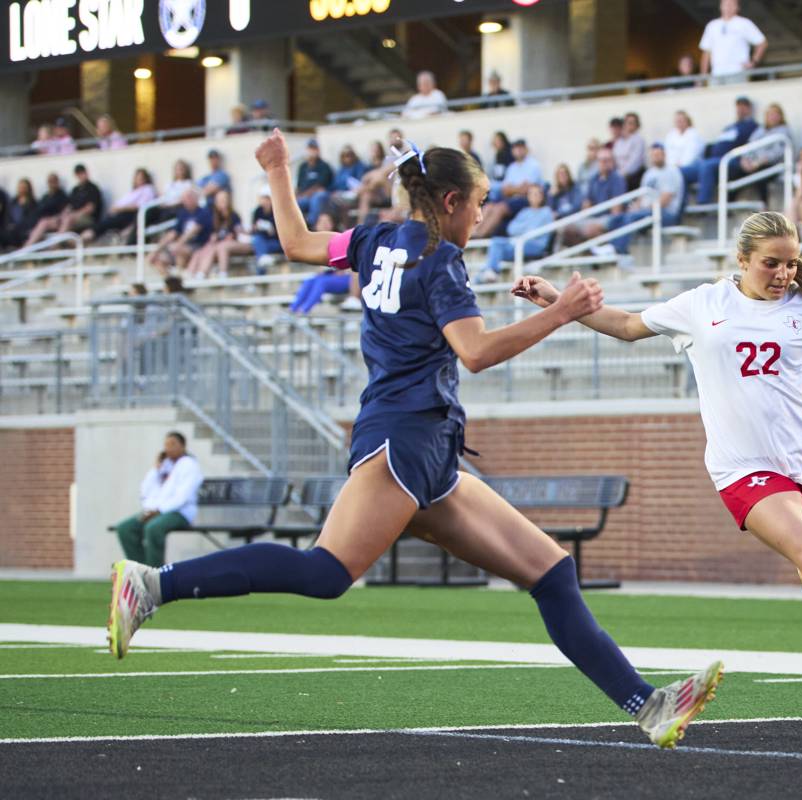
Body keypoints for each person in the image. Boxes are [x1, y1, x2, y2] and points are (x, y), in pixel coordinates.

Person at [108, 129, 724, 751]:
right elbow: (477, 352)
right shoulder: (442, 261)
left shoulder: (375, 238)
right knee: (324, 572)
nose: (483, 215)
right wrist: (560, 311)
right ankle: (152, 585)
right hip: (404, 438)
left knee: (552, 573)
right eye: (480, 202)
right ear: (451, 200)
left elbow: (294, 242)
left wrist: (277, 168)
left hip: (426, 446)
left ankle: (649, 707)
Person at [513, 211, 802, 720]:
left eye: (791, 264)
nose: (783, 274)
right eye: (771, 263)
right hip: (743, 467)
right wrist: (556, 302)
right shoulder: (702, 305)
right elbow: (624, 325)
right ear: (742, 260)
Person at [111, 432, 204, 569]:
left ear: (183, 446)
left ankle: (156, 575)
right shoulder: (164, 466)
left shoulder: (189, 465)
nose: (169, 448)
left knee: (153, 528)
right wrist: (156, 468)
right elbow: (146, 490)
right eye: (166, 445)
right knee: (125, 529)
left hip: (179, 513)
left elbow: (182, 497)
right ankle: (141, 571)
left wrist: (159, 511)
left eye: (173, 444)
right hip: (155, 511)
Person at [609, 142, 685, 254]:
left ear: (664, 155)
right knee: (616, 219)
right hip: (649, 211)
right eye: (654, 155)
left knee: (632, 218)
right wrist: (636, 207)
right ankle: (610, 247)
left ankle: (618, 250)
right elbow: (641, 197)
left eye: (659, 154)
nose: (656, 157)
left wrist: (644, 209)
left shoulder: (671, 172)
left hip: (667, 214)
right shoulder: (648, 173)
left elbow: (665, 199)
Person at [681, 97, 758, 204]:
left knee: (707, 166)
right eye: (738, 107)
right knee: (683, 172)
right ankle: (682, 206)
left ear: (749, 109)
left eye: (743, 107)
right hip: (714, 160)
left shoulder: (752, 126)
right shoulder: (728, 128)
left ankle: (703, 204)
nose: (740, 110)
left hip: (732, 162)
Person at [476, 184, 555, 283]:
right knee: (497, 242)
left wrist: (523, 229)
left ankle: (486, 275)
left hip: (535, 245)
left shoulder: (546, 212)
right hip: (518, 243)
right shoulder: (525, 212)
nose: (534, 196)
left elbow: (537, 233)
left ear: (542, 196)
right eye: (531, 194)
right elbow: (511, 229)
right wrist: (527, 229)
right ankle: (487, 274)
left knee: (497, 250)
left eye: (536, 194)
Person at [474, 138, 543, 238]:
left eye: (521, 148)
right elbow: (504, 189)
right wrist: (517, 188)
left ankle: (480, 236)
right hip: (510, 198)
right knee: (488, 207)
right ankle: (473, 234)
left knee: (500, 208)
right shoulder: (512, 167)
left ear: (526, 149)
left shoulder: (533, 165)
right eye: (516, 148)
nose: (518, 151)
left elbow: (527, 189)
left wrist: (513, 189)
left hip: (525, 199)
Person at [23, 164, 102, 247]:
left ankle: (54, 246)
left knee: (68, 219)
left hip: (88, 219)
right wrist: (59, 217)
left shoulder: (93, 188)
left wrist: (74, 215)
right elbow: (69, 206)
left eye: (82, 172)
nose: (81, 175)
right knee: (45, 221)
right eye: (78, 173)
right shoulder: (75, 190)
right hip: (72, 218)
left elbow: (90, 208)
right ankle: (27, 247)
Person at [561, 147, 626, 247]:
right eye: (600, 160)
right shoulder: (593, 179)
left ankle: (597, 255)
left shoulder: (617, 179)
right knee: (567, 229)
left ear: (612, 162)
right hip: (594, 216)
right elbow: (587, 204)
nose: (603, 163)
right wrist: (586, 212)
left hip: (609, 217)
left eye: (606, 160)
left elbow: (616, 210)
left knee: (590, 230)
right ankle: (587, 255)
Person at [83, 167, 157, 245]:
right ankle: (89, 235)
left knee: (107, 223)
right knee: (106, 222)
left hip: (131, 214)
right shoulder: (132, 192)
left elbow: (140, 206)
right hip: (121, 213)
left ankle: (90, 233)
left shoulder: (148, 189)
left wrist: (120, 208)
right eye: (137, 178)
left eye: (141, 178)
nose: (138, 180)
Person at [699, 0, 767, 79]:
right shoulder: (711, 26)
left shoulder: (744, 23)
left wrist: (754, 62)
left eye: (732, 4)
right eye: (726, 4)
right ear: (720, 6)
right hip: (717, 74)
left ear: (737, 7)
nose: (728, 7)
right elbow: (706, 52)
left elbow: (762, 43)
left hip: (738, 72)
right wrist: (703, 76)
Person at [149, 189, 212, 275]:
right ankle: (170, 282)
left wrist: (178, 244)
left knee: (179, 250)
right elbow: (173, 233)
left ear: (196, 199)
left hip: (198, 246)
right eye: (184, 199)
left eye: (189, 198)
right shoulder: (183, 214)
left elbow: (193, 231)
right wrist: (156, 251)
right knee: (157, 259)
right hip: (182, 246)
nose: (186, 201)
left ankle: (179, 277)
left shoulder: (204, 213)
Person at [187, 190, 242, 279]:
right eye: (220, 200)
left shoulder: (234, 216)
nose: (222, 203)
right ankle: (191, 274)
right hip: (217, 245)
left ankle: (205, 273)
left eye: (224, 200)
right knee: (200, 252)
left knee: (216, 247)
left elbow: (238, 232)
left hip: (229, 244)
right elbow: (215, 235)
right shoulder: (215, 217)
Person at [296, 139, 334, 227]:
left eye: (314, 148)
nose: (311, 151)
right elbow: (298, 186)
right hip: (304, 196)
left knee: (317, 198)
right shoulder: (303, 167)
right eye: (310, 148)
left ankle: (311, 225)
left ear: (318, 150)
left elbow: (320, 186)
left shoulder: (324, 166)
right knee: (296, 203)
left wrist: (306, 194)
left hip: (321, 194)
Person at [1, 178, 38, 249]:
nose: (22, 189)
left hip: (24, 230)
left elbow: (32, 219)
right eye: (20, 187)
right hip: (11, 229)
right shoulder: (13, 202)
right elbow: (7, 216)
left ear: (28, 189)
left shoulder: (33, 204)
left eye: (24, 187)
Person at [612, 112, 647, 188]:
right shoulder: (619, 141)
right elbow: (614, 158)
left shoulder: (639, 140)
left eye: (631, 123)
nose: (628, 125)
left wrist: (621, 174)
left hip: (633, 177)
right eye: (626, 122)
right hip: (619, 175)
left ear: (637, 125)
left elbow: (634, 163)